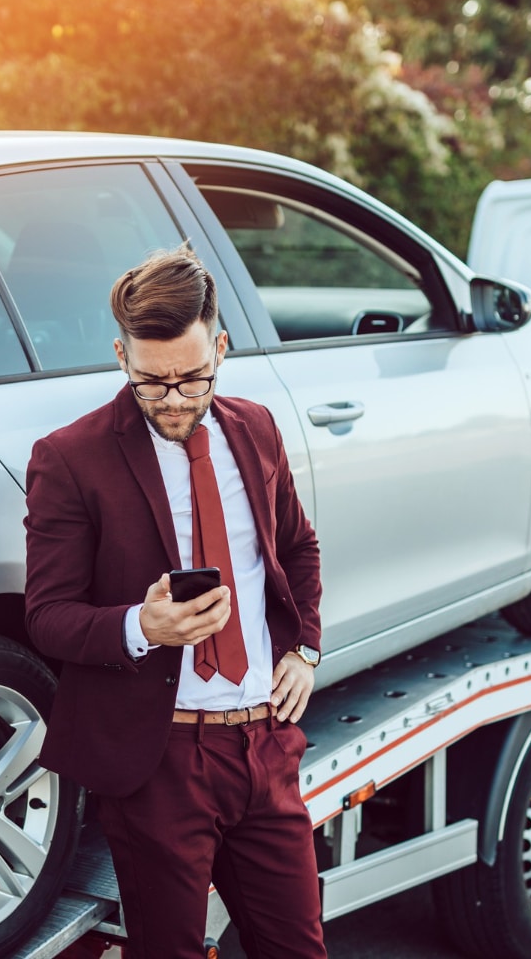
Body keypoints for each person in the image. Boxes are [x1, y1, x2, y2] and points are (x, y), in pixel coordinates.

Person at [23, 247, 326, 958]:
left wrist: (305, 649)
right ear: (121, 355)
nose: (174, 400)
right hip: (161, 761)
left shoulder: (256, 429)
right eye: (150, 382)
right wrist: (141, 625)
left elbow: (300, 549)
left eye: (193, 378)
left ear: (220, 347)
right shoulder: (70, 457)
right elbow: (47, 615)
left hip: (264, 744)